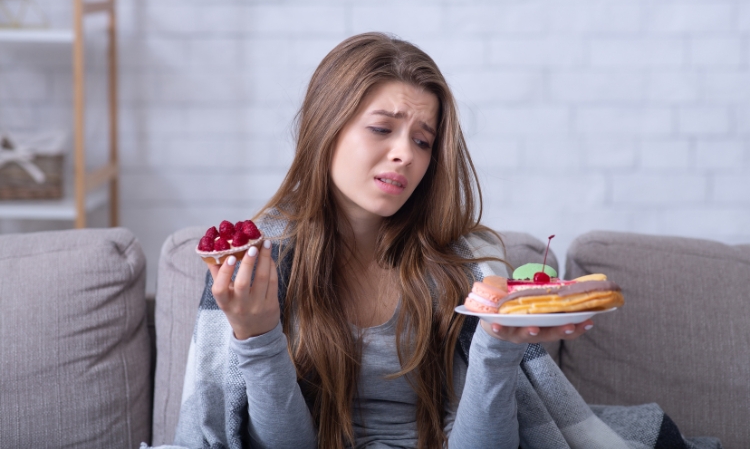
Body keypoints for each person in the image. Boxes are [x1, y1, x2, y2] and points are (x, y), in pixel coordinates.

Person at [163, 33, 699, 449]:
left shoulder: (464, 265)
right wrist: (256, 337)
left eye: (423, 140)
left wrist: (496, 346)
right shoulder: (261, 261)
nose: (406, 155)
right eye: (382, 129)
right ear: (327, 128)